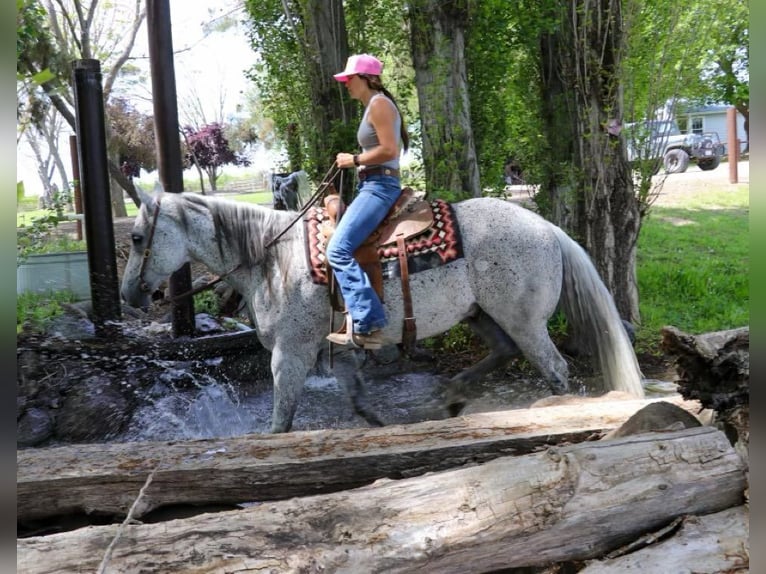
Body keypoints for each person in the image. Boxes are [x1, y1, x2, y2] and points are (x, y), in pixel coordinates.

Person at [326, 54, 410, 349]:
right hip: (371, 183)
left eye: (350, 78)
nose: (346, 84)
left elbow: (389, 149)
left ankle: (368, 321)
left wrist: (355, 159)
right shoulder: (373, 106)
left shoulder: (380, 105)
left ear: (366, 78)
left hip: (380, 186)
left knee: (337, 249)